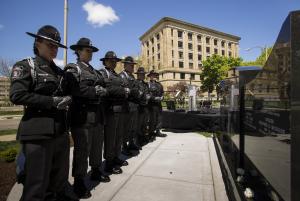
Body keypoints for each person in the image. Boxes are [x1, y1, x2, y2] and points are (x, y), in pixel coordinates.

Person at [9, 25, 74, 201]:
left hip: (60, 131)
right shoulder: (26, 66)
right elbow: (17, 95)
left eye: (56, 46)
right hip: (37, 132)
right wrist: (51, 102)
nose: (54, 49)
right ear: (38, 42)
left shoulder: (60, 72)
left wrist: (68, 98)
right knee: (36, 185)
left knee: (58, 179)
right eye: (50, 44)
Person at [64, 38, 110, 199]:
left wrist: (103, 90)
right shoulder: (73, 68)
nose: (90, 53)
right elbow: (74, 89)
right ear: (78, 51)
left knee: (97, 146)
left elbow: (105, 84)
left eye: (91, 51)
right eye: (87, 50)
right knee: (82, 150)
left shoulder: (95, 71)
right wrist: (95, 91)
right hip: (82, 116)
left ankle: (96, 170)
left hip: (97, 114)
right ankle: (79, 181)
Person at [98, 51, 129, 174]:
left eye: (115, 61)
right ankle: (108, 163)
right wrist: (122, 91)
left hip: (120, 109)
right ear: (105, 61)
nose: (114, 63)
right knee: (110, 137)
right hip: (110, 110)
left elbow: (121, 87)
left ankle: (116, 157)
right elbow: (108, 88)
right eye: (111, 61)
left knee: (118, 136)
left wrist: (122, 90)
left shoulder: (116, 74)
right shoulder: (102, 73)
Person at [119, 56, 142, 155]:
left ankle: (131, 143)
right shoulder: (121, 76)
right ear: (125, 65)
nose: (133, 67)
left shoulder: (132, 76)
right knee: (125, 127)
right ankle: (124, 147)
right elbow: (126, 90)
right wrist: (135, 92)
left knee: (133, 127)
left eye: (133, 65)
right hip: (126, 105)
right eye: (131, 65)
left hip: (134, 105)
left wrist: (136, 92)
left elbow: (135, 89)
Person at [148, 70, 167, 139]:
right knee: (152, 119)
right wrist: (154, 98)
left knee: (159, 118)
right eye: (153, 75)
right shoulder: (148, 84)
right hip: (151, 104)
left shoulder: (159, 84)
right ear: (150, 76)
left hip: (158, 104)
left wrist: (162, 97)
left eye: (155, 75)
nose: (154, 76)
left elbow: (162, 93)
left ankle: (158, 131)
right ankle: (151, 132)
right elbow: (148, 94)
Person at [135, 67, 151, 146]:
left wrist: (148, 96)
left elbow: (148, 92)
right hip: (139, 106)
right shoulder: (135, 83)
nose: (143, 76)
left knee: (144, 123)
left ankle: (143, 137)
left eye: (143, 74)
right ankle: (138, 140)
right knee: (138, 124)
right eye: (141, 74)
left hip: (145, 106)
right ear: (138, 75)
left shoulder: (145, 84)